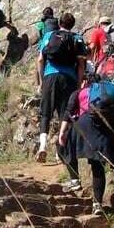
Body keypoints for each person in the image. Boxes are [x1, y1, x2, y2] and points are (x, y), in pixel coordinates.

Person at [58, 75, 114, 216]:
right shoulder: (111, 97)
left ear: (86, 82)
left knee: (64, 147)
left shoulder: (80, 92)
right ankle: (97, 205)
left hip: (83, 125)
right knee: (98, 165)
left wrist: (62, 133)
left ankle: (74, 179)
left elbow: (68, 113)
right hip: (105, 130)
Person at [35, 12, 87, 162]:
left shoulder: (49, 35)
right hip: (69, 79)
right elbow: (81, 65)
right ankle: (60, 152)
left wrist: (41, 80)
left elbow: (40, 60)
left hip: (50, 77)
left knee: (46, 113)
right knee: (64, 115)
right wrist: (78, 84)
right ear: (72, 24)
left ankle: (43, 146)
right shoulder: (77, 38)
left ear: (60, 24)